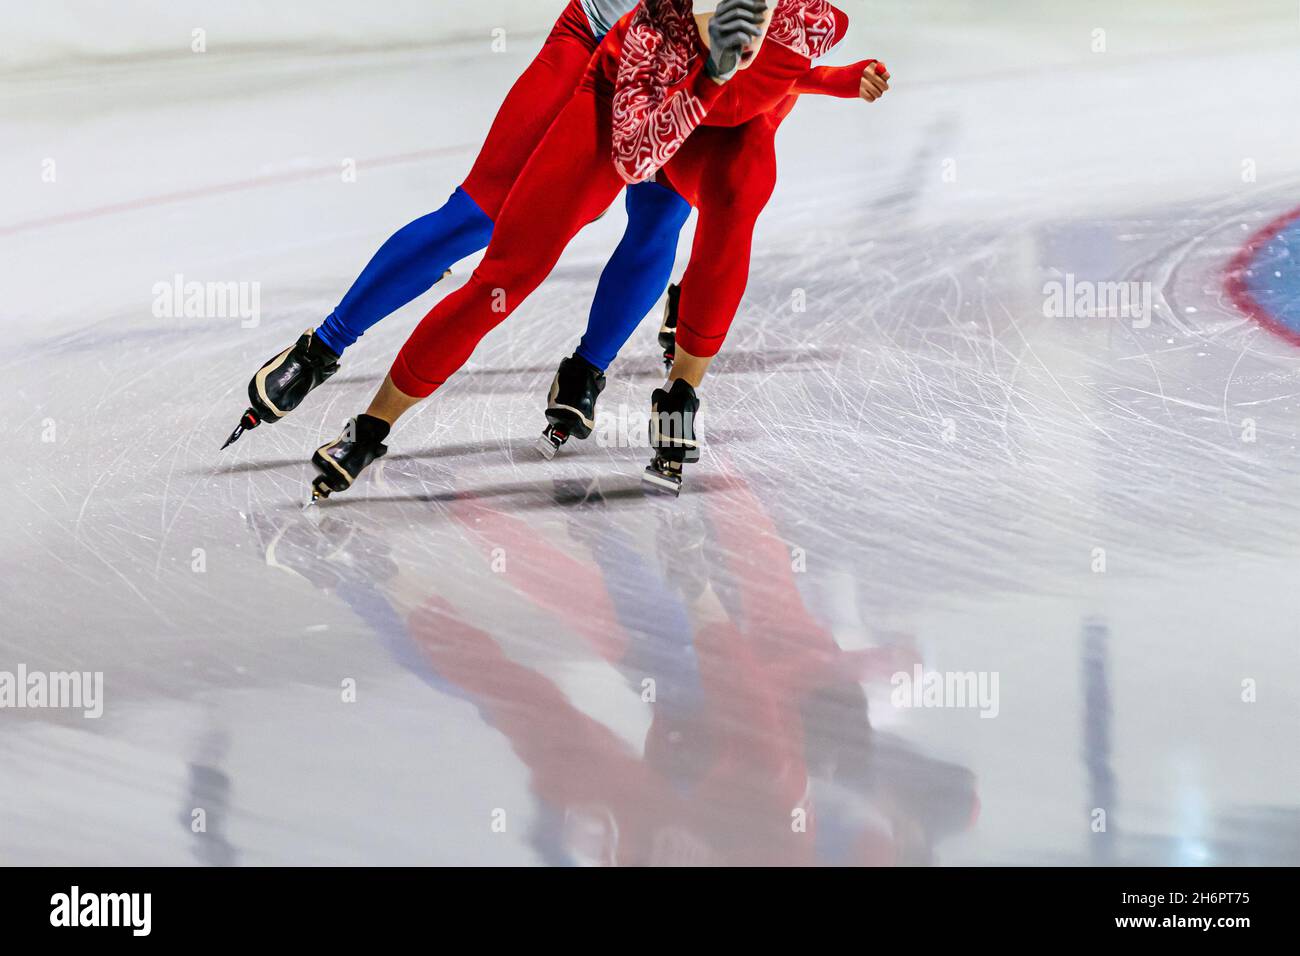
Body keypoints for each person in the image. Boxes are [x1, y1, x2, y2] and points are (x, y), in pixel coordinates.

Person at [310, 0, 890, 499]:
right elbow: (638, 158)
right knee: (506, 277)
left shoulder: (803, 19)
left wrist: (836, 79)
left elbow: (780, 72)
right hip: (632, 108)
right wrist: (709, 77)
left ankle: (681, 391)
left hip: (720, 121)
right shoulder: (649, 41)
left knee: (740, 192)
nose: (745, 28)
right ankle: (370, 427)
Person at [221, 1, 692, 449]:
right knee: (479, 213)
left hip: (688, 81)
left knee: (659, 216)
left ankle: (587, 368)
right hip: (599, 39)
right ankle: (321, 347)